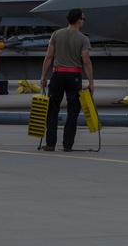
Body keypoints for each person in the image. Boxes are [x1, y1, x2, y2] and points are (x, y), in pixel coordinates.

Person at [39, 8, 94, 152]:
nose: (83, 21)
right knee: (73, 111)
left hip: (57, 75)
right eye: (83, 19)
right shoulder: (83, 39)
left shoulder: (56, 34)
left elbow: (49, 56)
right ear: (78, 21)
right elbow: (86, 62)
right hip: (74, 76)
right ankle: (67, 145)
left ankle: (50, 144)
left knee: (52, 109)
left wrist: (43, 75)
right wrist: (91, 82)